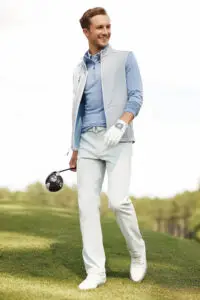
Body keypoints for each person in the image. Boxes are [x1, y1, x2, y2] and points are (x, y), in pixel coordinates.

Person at [69, 7, 147, 290]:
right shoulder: (79, 69)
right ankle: (96, 272)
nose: (105, 32)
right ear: (86, 32)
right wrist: (75, 149)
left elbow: (137, 96)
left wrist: (121, 125)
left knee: (117, 200)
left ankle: (138, 254)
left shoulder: (125, 58)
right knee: (87, 207)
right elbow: (78, 111)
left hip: (118, 139)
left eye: (108, 26)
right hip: (88, 141)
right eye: (99, 27)